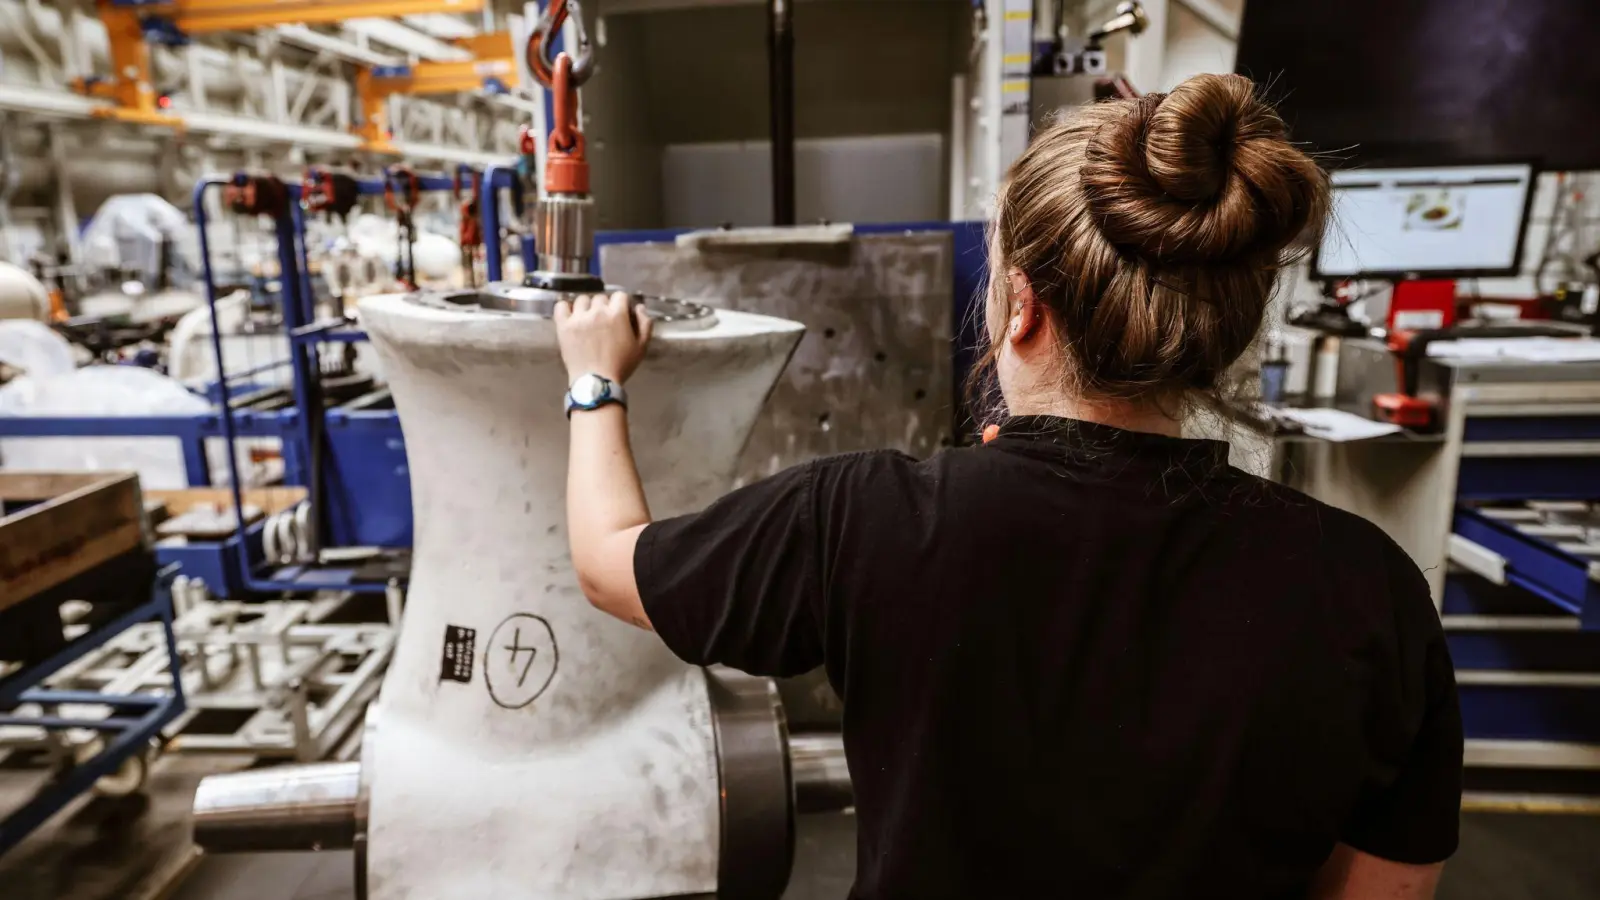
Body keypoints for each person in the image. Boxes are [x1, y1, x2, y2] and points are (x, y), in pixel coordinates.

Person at [552, 73, 1462, 900]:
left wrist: (596, 378)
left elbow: (607, 563)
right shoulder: (1367, 587)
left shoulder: (869, 520)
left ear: (1021, 305)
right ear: (1225, 331)